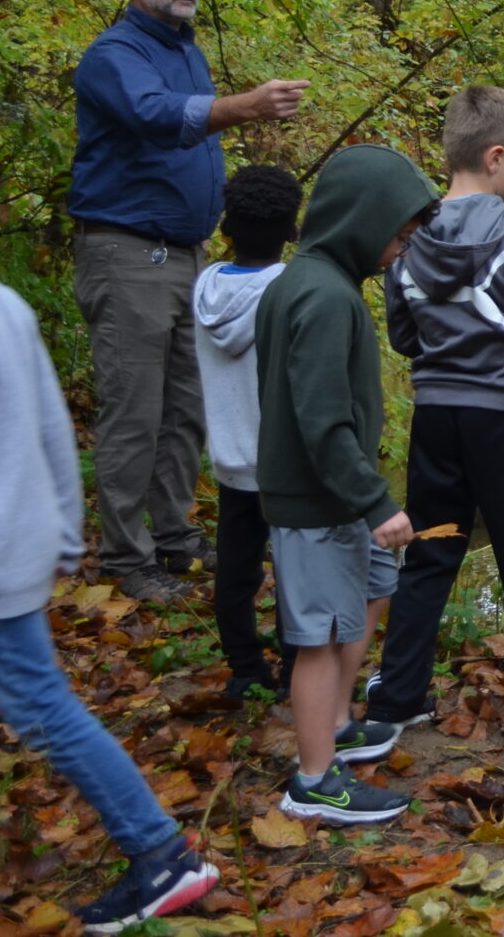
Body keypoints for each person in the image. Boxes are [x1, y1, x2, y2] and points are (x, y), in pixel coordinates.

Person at [0, 153, 221, 931]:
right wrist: (67, 530)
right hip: (4, 551)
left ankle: (161, 852)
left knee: (42, 710)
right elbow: (54, 433)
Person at [70, 0, 311, 602]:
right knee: (134, 413)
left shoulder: (187, 52)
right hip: (125, 254)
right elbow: (154, 117)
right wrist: (248, 106)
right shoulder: (114, 55)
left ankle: (173, 538)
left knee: (186, 408)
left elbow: (186, 122)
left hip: (187, 256)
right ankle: (125, 556)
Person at [363, 87, 504, 731]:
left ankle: (398, 695)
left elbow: (405, 337)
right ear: (494, 158)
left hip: (437, 419)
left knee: (430, 553)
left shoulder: (409, 237)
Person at [255, 144, 436, 824]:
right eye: (395, 236)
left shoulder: (306, 282)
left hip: (331, 495)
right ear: (359, 221)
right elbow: (321, 418)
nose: (397, 252)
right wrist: (373, 501)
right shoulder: (324, 298)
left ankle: (332, 725)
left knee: (372, 590)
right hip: (318, 500)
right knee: (321, 635)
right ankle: (313, 780)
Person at [193, 164, 302, 702]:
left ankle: (244, 669)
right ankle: (295, 671)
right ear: (292, 231)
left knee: (236, 567)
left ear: (225, 229)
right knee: (293, 570)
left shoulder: (205, 286)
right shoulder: (287, 289)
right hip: (280, 459)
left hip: (230, 456)